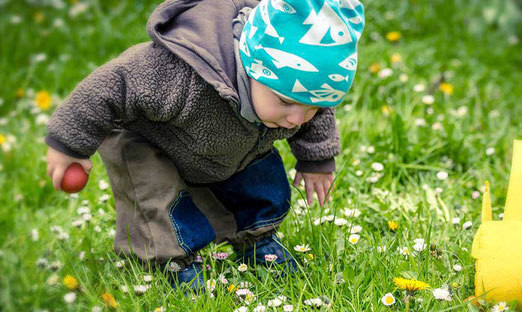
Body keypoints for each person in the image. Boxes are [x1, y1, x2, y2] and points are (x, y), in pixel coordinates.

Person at [45, 0, 364, 291]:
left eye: (309, 108)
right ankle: (169, 262)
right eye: (285, 102)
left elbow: (316, 112)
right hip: (148, 139)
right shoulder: (178, 72)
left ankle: (257, 242)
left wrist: (316, 159)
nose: (297, 119)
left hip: (223, 143)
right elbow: (112, 84)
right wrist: (68, 142)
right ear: (251, 67)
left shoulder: (292, 103)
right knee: (157, 198)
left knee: (261, 182)